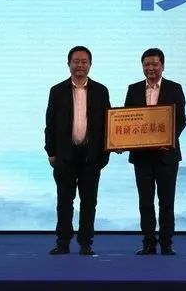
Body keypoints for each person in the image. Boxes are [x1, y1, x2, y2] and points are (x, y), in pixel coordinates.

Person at [44, 46, 112, 256]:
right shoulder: (57, 91)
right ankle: (63, 243)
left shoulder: (101, 91)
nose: (80, 65)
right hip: (65, 155)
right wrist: (51, 152)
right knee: (64, 202)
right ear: (69, 64)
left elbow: (109, 124)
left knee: (89, 202)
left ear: (90, 65)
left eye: (84, 61)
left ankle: (85, 243)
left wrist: (105, 155)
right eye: (76, 61)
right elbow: (50, 124)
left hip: (91, 156)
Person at [124, 47, 186, 255]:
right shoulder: (133, 89)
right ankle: (148, 243)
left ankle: (167, 243)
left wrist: (168, 139)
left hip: (166, 155)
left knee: (166, 201)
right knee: (145, 202)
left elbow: (180, 120)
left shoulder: (174, 88)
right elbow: (126, 119)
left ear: (162, 66)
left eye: (155, 64)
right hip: (141, 157)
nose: (150, 68)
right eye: (146, 64)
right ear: (142, 66)